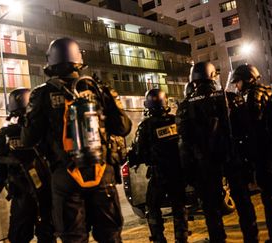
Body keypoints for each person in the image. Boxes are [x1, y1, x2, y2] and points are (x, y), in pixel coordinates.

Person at [21, 37, 131, 242]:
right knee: (110, 235)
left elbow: (28, 139)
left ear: (51, 62)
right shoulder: (98, 88)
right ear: (78, 60)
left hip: (65, 175)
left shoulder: (42, 94)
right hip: (101, 172)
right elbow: (123, 127)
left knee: (73, 238)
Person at [0, 88, 55, 243]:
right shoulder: (44, 131)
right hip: (45, 193)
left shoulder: (5, 135)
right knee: (47, 235)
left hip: (20, 195)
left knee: (19, 236)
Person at [176, 62, 230, 242]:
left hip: (203, 165)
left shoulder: (186, 105)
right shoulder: (223, 97)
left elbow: (185, 142)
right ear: (212, 75)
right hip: (227, 160)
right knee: (243, 202)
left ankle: (217, 238)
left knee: (210, 207)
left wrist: (188, 172)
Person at [129, 89, 188, 243]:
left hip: (159, 175)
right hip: (177, 173)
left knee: (152, 207)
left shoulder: (146, 126)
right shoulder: (175, 121)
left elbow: (139, 152)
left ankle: (159, 238)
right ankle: (181, 238)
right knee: (179, 207)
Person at [230, 64, 272, 243]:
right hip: (268, 152)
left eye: (238, 82)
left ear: (247, 79)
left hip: (265, 155)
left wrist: (238, 110)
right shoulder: (269, 91)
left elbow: (251, 124)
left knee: (269, 197)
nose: (236, 87)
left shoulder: (253, 96)